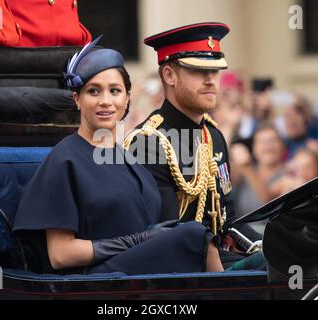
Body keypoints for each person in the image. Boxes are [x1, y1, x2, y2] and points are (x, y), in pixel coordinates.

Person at [13, 37, 224, 275]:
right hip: (94, 278)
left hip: (138, 272)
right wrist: (136, 241)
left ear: (126, 99)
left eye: (115, 91)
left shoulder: (127, 158)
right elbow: (60, 254)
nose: (106, 101)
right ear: (77, 99)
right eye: (93, 91)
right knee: (195, 235)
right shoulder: (65, 160)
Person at [124, 23, 262, 268]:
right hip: (181, 269)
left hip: (219, 255)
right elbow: (166, 233)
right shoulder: (148, 143)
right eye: (199, 71)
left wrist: (260, 243)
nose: (211, 81)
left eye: (215, 71)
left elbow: (227, 217)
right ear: (169, 75)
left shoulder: (214, 135)